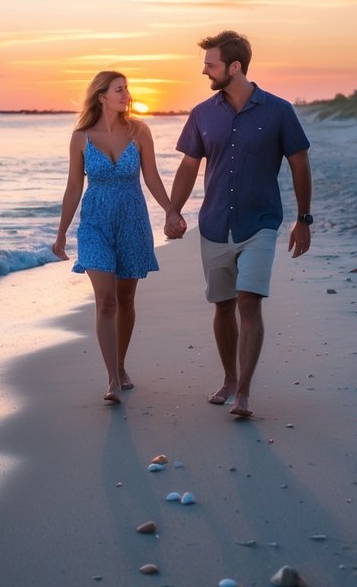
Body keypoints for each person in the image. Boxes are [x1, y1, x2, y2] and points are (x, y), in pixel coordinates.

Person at [165, 30, 312, 419]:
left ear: (234, 66)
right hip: (214, 224)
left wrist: (303, 219)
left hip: (260, 222)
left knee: (249, 301)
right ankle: (229, 378)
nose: (204, 72)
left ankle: (243, 393)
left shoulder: (278, 111)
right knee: (223, 305)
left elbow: (299, 162)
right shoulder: (202, 114)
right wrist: (173, 211)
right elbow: (188, 165)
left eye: (210, 65)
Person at [53, 71, 175, 404]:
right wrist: (61, 232)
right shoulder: (81, 137)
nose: (127, 95)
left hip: (132, 222)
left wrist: (170, 210)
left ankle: (121, 365)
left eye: (127, 89)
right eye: (119, 90)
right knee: (105, 300)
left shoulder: (139, 131)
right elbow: (74, 187)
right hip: (94, 224)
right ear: (101, 96)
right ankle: (112, 380)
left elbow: (151, 176)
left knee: (126, 298)